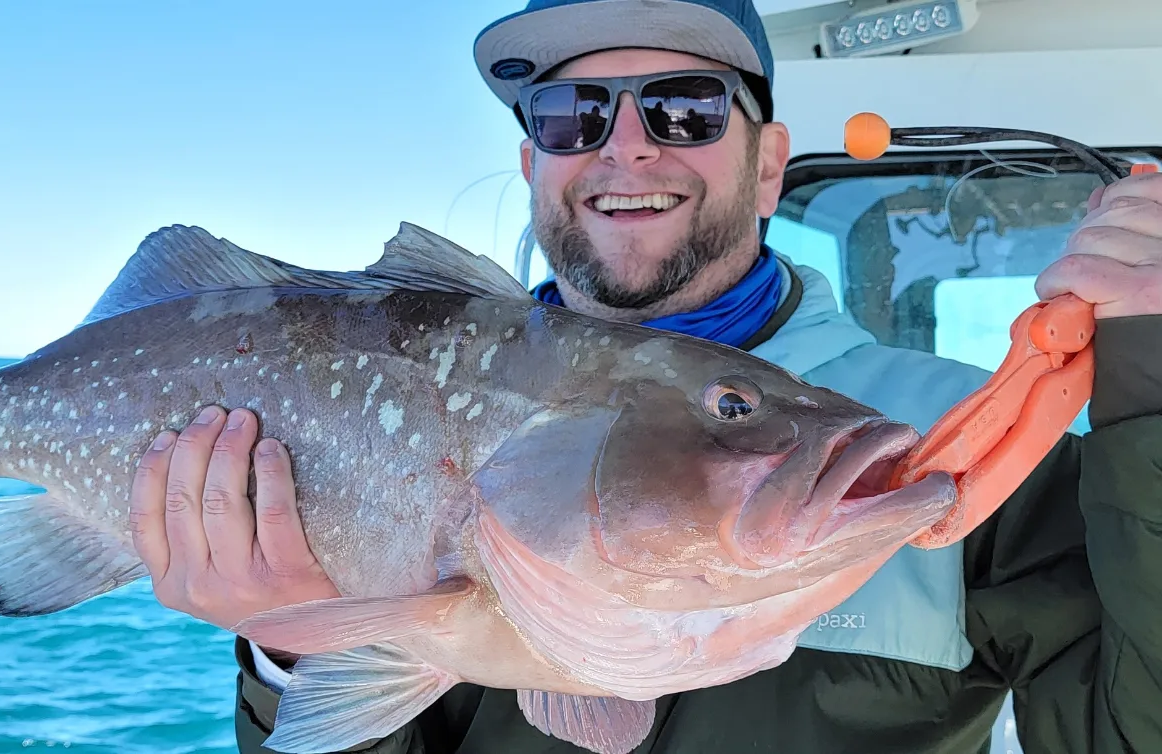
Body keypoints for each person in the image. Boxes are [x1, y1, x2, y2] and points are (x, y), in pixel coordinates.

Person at [126, 1, 1162, 751]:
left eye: (685, 108)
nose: (624, 147)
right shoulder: (434, 404)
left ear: (767, 166)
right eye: (573, 114)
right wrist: (288, 656)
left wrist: (1151, 379)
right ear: (535, 165)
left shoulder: (955, 442)